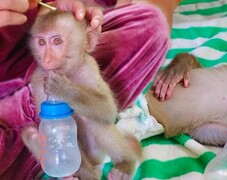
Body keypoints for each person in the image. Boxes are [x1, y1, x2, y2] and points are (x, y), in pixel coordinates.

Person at [0, 0, 180, 179]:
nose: (46, 58)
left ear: (89, 41)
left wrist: (70, 92)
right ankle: (70, 168)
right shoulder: (40, 76)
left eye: (56, 42)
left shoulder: (86, 66)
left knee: (150, 23)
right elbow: (51, 127)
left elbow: (107, 114)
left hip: (35, 66)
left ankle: (124, 159)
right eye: (41, 43)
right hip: (22, 98)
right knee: (41, 133)